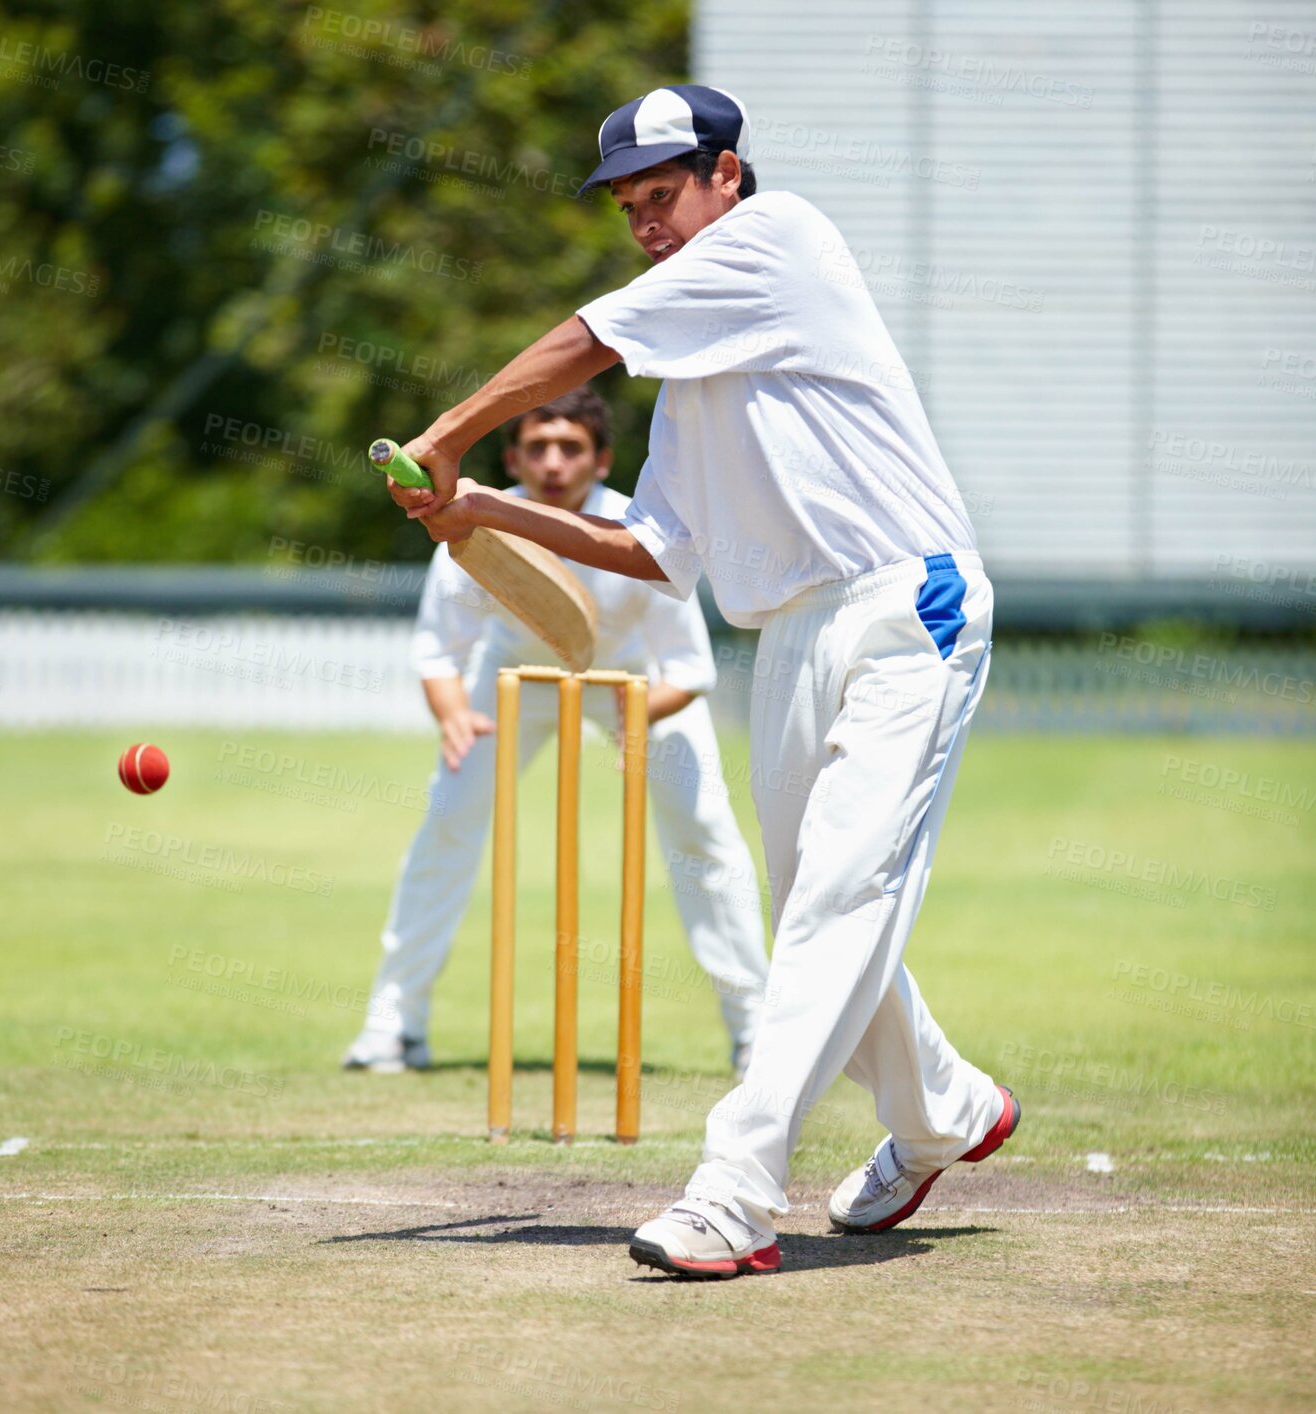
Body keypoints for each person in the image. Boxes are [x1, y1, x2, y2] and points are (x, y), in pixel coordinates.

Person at [387, 85, 1020, 1278]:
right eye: (628, 207)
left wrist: (449, 431)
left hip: (906, 604)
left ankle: (732, 1190)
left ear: (727, 173)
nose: (647, 224)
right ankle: (942, 1109)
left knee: (836, 901)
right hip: (786, 634)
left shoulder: (781, 240)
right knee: (813, 910)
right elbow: (654, 553)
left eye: (662, 195)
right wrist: (477, 506)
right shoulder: (694, 377)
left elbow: (587, 340)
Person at [345, 385, 769, 1079]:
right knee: (447, 824)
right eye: (537, 446)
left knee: (704, 832)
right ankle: (393, 1029)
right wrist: (455, 715)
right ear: (513, 456)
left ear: (600, 461)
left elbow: (689, 670)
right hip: (514, 677)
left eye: (570, 447)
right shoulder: (473, 519)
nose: (551, 462)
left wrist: (632, 720)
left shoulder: (636, 527)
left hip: (635, 685)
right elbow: (437, 650)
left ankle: (754, 1031)